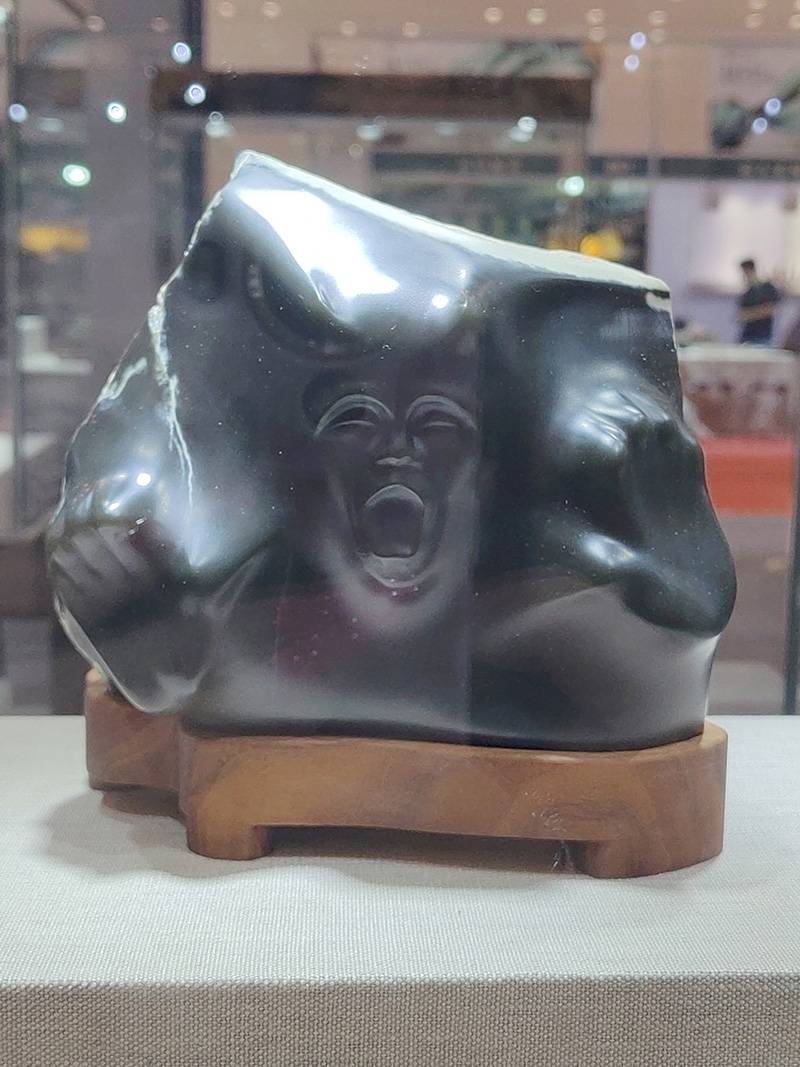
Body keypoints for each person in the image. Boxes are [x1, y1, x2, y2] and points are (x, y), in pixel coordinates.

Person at [738, 258, 780, 345]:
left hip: (762, 336)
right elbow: (741, 316)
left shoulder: (768, 288)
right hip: (747, 336)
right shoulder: (747, 293)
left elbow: (771, 310)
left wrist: (750, 314)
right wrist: (759, 311)